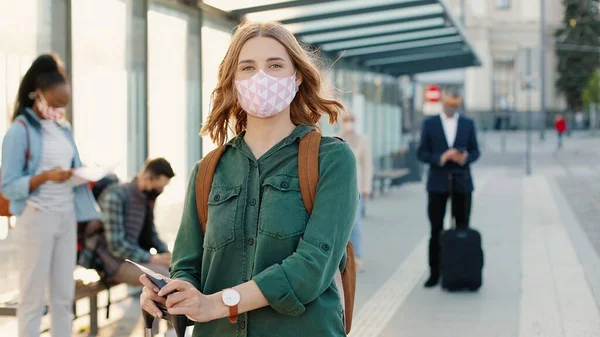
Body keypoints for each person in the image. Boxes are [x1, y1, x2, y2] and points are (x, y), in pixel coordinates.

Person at [139, 21, 358, 337]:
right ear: (233, 81)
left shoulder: (331, 159)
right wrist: (171, 294)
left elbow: (312, 268)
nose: (262, 77)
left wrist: (217, 304)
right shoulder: (207, 170)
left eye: (275, 65)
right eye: (248, 67)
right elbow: (187, 265)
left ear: (297, 76)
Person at [1, 54, 102, 337]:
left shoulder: (63, 129)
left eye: (63, 105)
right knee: (32, 300)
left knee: (62, 296)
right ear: (38, 94)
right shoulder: (18, 132)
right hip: (36, 218)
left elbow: (71, 168)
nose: (58, 110)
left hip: (65, 215)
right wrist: (46, 176)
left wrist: (81, 173)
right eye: (55, 103)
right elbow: (8, 186)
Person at [416, 88, 480, 288]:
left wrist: (465, 157)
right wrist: (441, 158)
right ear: (443, 103)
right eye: (449, 105)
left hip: (462, 181)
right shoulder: (430, 123)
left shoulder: (468, 124)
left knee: (462, 227)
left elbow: (476, 151)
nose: (452, 108)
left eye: (456, 106)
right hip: (437, 183)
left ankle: (460, 270)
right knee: (436, 229)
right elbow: (421, 153)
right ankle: (435, 272)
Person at [83, 158, 175, 285]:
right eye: (159, 187)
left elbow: (151, 235)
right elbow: (116, 246)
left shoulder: (147, 198)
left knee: (177, 272)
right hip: (113, 263)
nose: (160, 191)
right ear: (147, 178)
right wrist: (152, 259)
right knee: (165, 278)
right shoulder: (114, 196)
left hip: (134, 259)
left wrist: (167, 254)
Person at [338, 113, 372, 272]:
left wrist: (366, 187)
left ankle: (357, 256)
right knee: (340, 224)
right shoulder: (335, 138)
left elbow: (367, 165)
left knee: (356, 223)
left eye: (351, 121)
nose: (348, 124)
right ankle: (341, 257)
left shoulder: (362, 140)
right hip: (340, 188)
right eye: (346, 121)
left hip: (357, 188)